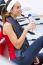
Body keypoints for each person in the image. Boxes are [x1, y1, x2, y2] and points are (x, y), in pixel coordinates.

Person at [1, 0, 43, 65]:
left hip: (24, 55)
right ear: (11, 10)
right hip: (18, 59)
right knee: (42, 39)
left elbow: (24, 44)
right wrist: (26, 29)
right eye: (17, 7)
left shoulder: (14, 21)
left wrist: (33, 56)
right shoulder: (7, 25)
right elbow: (17, 46)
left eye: (20, 7)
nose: (20, 9)